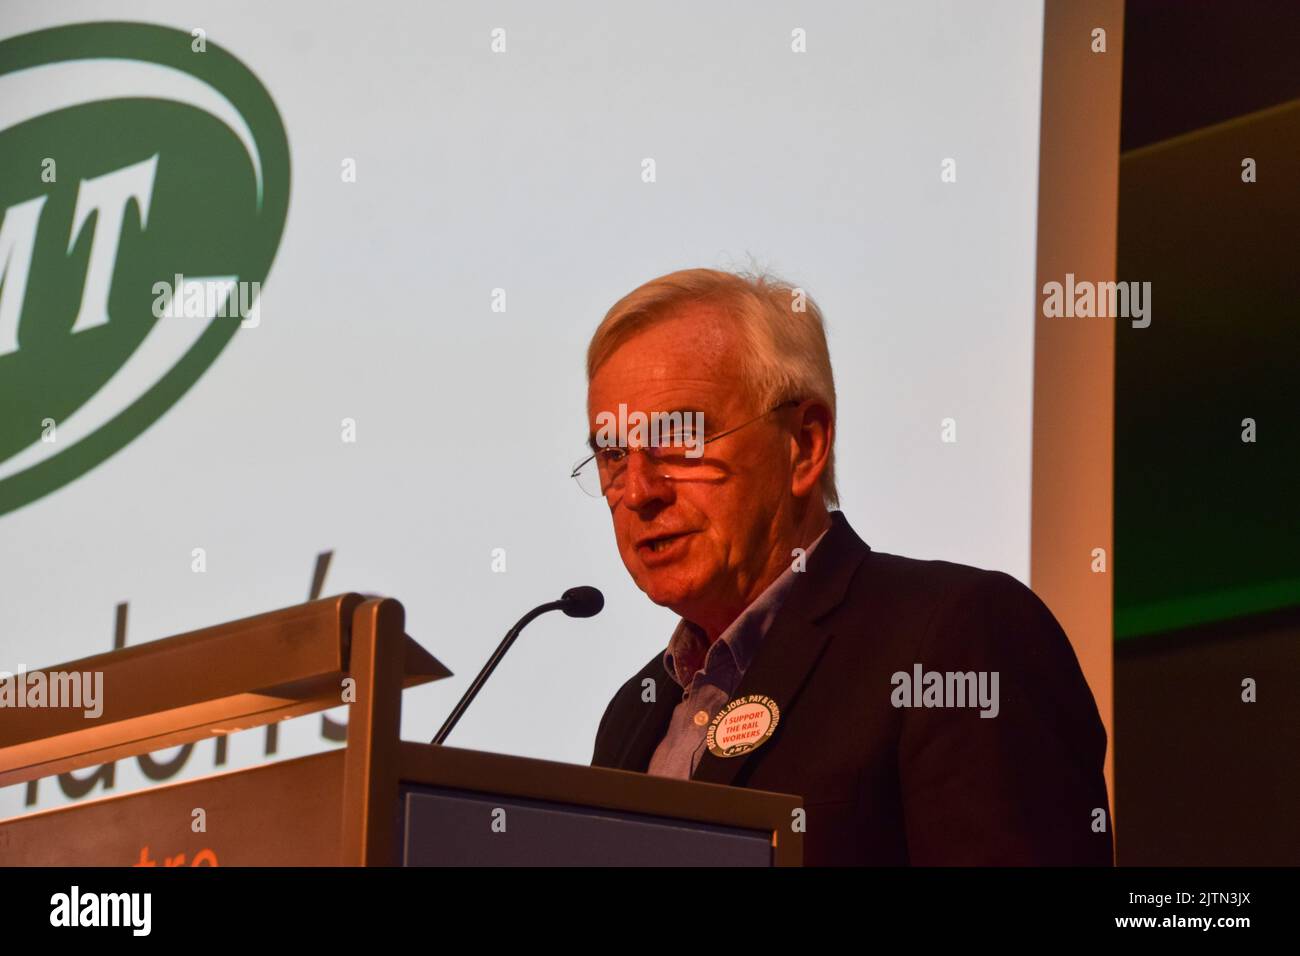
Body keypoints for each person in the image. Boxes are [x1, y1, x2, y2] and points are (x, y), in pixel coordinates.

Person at [580, 267, 1112, 865]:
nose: (638, 489)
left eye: (679, 439)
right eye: (613, 452)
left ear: (804, 445)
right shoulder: (632, 716)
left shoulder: (958, 638)